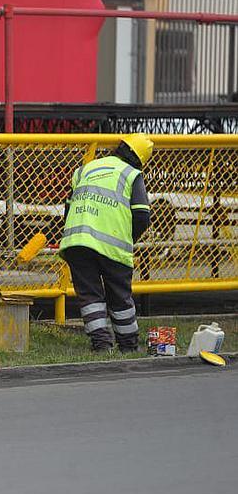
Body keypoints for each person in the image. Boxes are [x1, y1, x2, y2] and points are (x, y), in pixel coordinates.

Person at [59, 133, 153, 353]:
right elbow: (142, 215)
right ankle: (128, 345)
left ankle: (101, 344)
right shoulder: (132, 174)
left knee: (90, 296)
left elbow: (67, 208)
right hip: (113, 245)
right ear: (140, 159)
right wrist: (127, 238)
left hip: (77, 242)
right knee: (120, 297)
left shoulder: (85, 170)